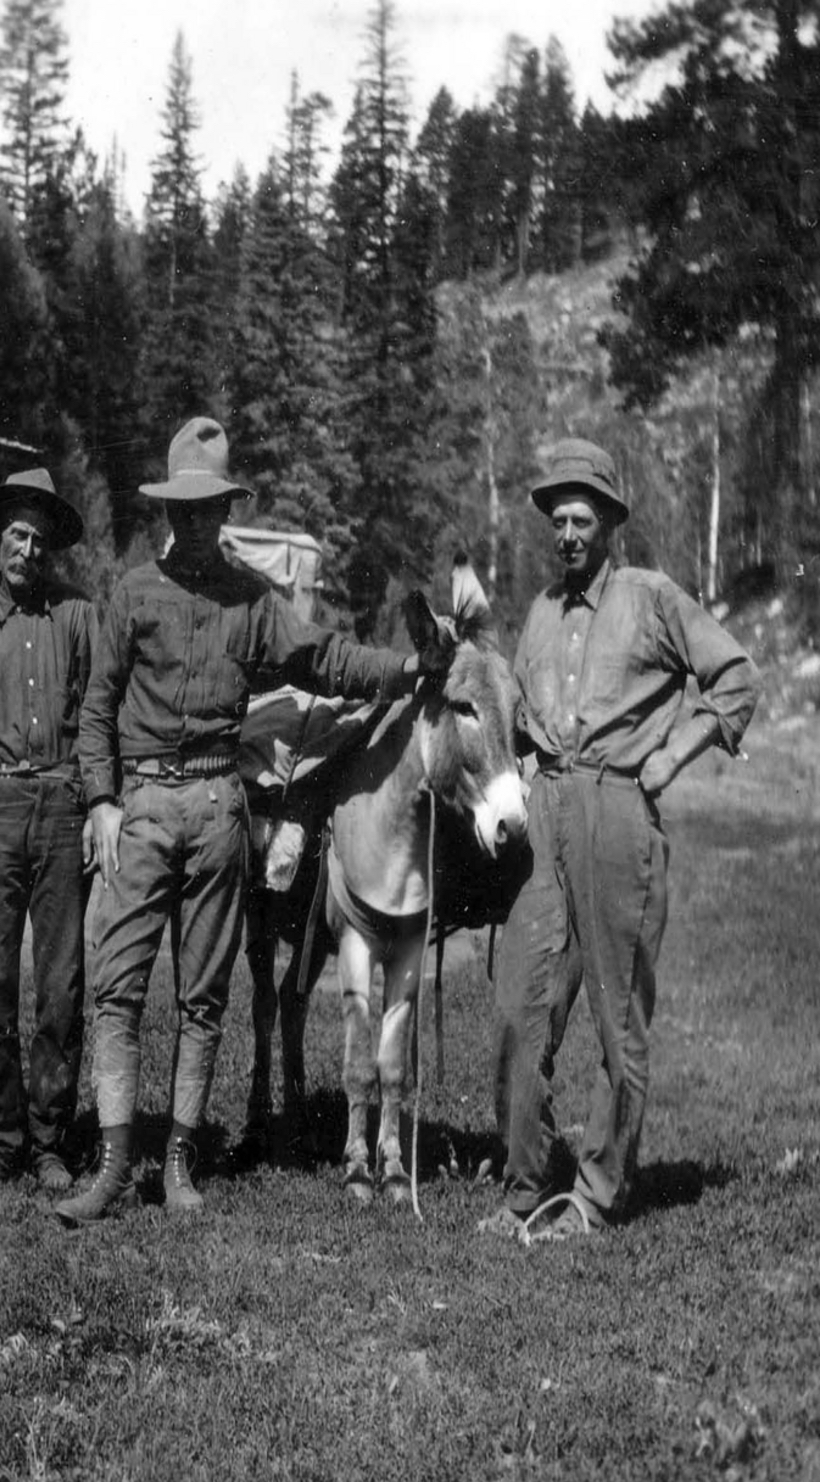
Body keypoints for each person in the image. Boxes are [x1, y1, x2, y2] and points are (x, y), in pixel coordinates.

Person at [62, 417, 450, 1223]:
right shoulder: (132, 593)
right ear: (167, 511)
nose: (195, 523)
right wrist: (100, 799)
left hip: (216, 808)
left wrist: (407, 668)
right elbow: (96, 705)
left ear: (225, 511)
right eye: (183, 509)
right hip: (140, 807)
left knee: (204, 996)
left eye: (209, 509)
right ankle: (111, 1169)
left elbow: (326, 659)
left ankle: (178, 1168)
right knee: (120, 989)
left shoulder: (251, 599)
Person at [481, 438, 757, 1239]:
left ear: (609, 522)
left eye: (582, 518)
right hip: (548, 812)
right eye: (558, 521)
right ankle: (525, 1185)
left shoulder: (651, 598)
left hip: (618, 812)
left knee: (616, 1013)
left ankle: (597, 1194)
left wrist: (675, 752)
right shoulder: (537, 612)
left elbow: (735, 676)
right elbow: (526, 720)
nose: (567, 534)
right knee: (516, 1006)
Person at [0, 468, 93, 1191]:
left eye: (39, 540)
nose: (28, 552)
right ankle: (2, 1139)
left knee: (62, 986)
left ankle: (49, 1140)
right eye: (17, 536)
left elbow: (99, 719)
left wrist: (98, 800)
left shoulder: (78, 620)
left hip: (64, 805)